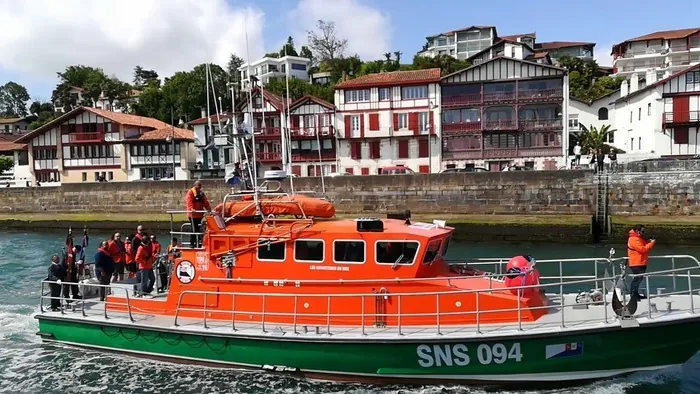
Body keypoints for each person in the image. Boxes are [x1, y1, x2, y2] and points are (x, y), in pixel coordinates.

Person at [627, 225, 656, 299]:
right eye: (642, 231)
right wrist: (651, 243)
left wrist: (648, 241)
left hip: (640, 262)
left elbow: (643, 245)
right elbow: (643, 249)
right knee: (637, 279)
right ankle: (633, 295)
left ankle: (635, 294)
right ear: (637, 231)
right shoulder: (634, 239)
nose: (643, 233)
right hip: (636, 262)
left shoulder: (638, 238)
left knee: (638, 279)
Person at [185, 181, 211, 248]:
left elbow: (205, 202)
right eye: (198, 186)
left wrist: (209, 209)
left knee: (198, 228)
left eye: (200, 186)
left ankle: (198, 243)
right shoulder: (190, 192)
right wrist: (191, 209)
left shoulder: (201, 194)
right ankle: (192, 243)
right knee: (193, 229)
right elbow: (189, 201)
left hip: (199, 215)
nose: (199, 188)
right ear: (195, 185)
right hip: (192, 215)